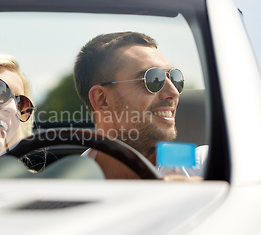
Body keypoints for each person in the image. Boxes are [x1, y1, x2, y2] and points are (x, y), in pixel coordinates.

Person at [74, 31, 204, 181]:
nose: (174, 92)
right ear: (102, 99)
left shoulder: (203, 163)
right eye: (153, 79)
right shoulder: (66, 188)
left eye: (175, 78)